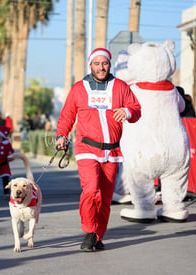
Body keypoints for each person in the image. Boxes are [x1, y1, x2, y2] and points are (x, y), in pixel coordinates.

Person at [55, 48, 141, 252]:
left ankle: (98, 235)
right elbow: (67, 115)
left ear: (109, 65)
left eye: (104, 64)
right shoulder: (79, 88)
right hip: (86, 148)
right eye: (97, 64)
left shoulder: (120, 87)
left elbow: (136, 109)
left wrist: (127, 111)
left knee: (105, 198)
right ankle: (89, 231)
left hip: (112, 152)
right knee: (91, 190)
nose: (101, 67)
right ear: (90, 65)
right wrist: (61, 135)